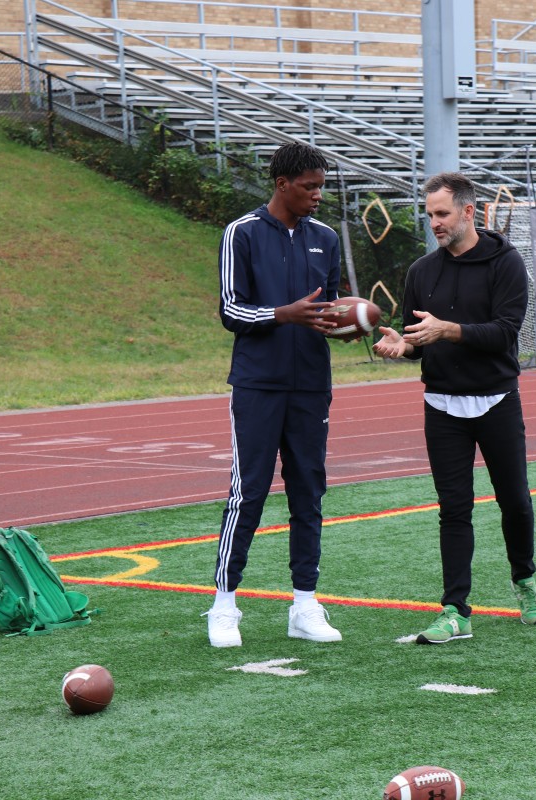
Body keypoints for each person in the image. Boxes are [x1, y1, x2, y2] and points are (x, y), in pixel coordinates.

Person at [372, 171, 536, 644]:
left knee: (515, 501)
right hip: (441, 405)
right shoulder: (421, 272)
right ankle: (456, 611)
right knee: (454, 509)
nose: (435, 222)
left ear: (469, 212)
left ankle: (524, 580)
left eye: (442, 213)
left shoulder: (505, 263)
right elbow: (418, 342)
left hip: (496, 401)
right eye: (430, 214)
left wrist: (447, 330)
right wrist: (399, 346)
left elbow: (504, 332)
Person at [205, 141, 347, 647]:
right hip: (258, 385)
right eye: (309, 186)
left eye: (321, 186)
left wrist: (344, 323)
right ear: (282, 183)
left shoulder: (326, 238)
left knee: (309, 491)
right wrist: (280, 314)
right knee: (249, 491)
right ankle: (224, 605)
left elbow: (327, 309)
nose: (317, 195)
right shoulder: (240, 234)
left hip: (311, 385)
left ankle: (305, 605)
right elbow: (230, 310)